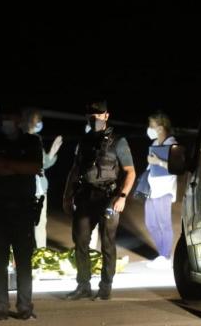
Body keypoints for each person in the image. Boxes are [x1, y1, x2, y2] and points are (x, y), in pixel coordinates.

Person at [63, 99, 136, 300]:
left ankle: (105, 286)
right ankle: (83, 285)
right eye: (91, 116)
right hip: (86, 196)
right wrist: (67, 196)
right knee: (80, 241)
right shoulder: (84, 141)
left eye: (98, 115)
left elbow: (130, 171)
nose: (94, 119)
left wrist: (122, 196)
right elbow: (75, 169)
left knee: (107, 242)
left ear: (106, 115)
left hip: (108, 197)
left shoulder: (118, 141)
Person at [0, 104, 43, 320]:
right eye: (3, 117)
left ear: (19, 119)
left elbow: (34, 167)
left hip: (23, 210)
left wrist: (4, 164)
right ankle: (0, 307)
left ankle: (25, 307)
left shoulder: (31, 142)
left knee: (23, 261)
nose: (6, 121)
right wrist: (16, 167)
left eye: (10, 117)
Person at [21, 108, 63, 248]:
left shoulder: (37, 139)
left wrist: (52, 152)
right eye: (37, 120)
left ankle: (40, 251)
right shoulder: (21, 139)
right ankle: (24, 252)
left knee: (40, 223)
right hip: (26, 189)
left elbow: (43, 164)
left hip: (40, 190)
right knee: (25, 223)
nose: (39, 123)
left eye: (40, 120)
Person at [144, 112, 178, 269]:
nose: (149, 128)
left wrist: (158, 162)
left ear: (161, 127)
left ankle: (166, 256)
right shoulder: (155, 143)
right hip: (152, 189)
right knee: (150, 223)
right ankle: (162, 255)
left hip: (165, 189)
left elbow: (176, 167)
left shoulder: (172, 144)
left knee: (164, 223)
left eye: (151, 125)